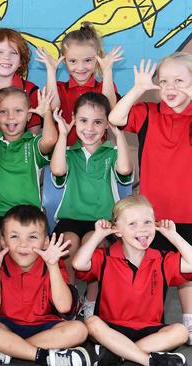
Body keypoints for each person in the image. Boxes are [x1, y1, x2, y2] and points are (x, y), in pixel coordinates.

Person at [108, 53, 192, 342]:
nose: (171, 88)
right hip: (151, 217)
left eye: (180, 81)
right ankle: (149, 327)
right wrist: (138, 88)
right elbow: (115, 118)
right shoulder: (147, 112)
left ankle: (188, 323)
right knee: (154, 272)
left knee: (186, 271)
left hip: (188, 212)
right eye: (164, 81)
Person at [73, 195, 189, 366]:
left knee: (181, 332)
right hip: (111, 328)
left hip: (149, 331)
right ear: (117, 230)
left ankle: (117, 354)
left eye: (148, 222)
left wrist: (173, 235)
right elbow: (78, 263)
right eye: (132, 224)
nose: (142, 229)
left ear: (156, 225)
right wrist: (98, 235)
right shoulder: (105, 257)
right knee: (91, 323)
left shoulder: (162, 260)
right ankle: (146, 359)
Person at [0, 205, 90, 366]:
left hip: (45, 327)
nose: (23, 244)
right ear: (2, 241)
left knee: (79, 330)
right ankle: (41, 355)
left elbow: (64, 307)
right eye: (14, 236)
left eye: (32, 237)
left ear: (46, 242)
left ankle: (7, 351)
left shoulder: (52, 264)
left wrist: (53, 266)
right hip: (6, 326)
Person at [51, 92, 132, 317]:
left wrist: (120, 135)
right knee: (67, 243)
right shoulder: (68, 153)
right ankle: (69, 296)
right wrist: (63, 135)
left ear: (106, 123)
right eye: (83, 120)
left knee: (93, 244)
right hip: (70, 218)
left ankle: (91, 300)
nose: (90, 128)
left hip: (103, 220)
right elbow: (57, 171)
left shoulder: (112, 153)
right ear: (74, 120)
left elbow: (125, 171)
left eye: (98, 122)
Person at [0, 86, 57, 253]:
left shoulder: (33, 143)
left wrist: (47, 114)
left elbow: (50, 139)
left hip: (27, 214)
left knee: (25, 252)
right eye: (3, 112)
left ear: (29, 116)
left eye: (18, 111)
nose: (10, 117)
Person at [36, 22, 123, 146]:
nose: (80, 67)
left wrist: (107, 70)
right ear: (64, 60)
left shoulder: (103, 87)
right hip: (64, 154)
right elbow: (52, 108)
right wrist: (51, 71)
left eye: (87, 60)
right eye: (73, 61)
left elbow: (110, 110)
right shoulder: (59, 88)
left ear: (97, 59)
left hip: (96, 156)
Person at [0, 28, 42, 134]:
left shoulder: (31, 91)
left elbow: (34, 137)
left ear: (21, 61)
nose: (6, 57)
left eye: (13, 53)